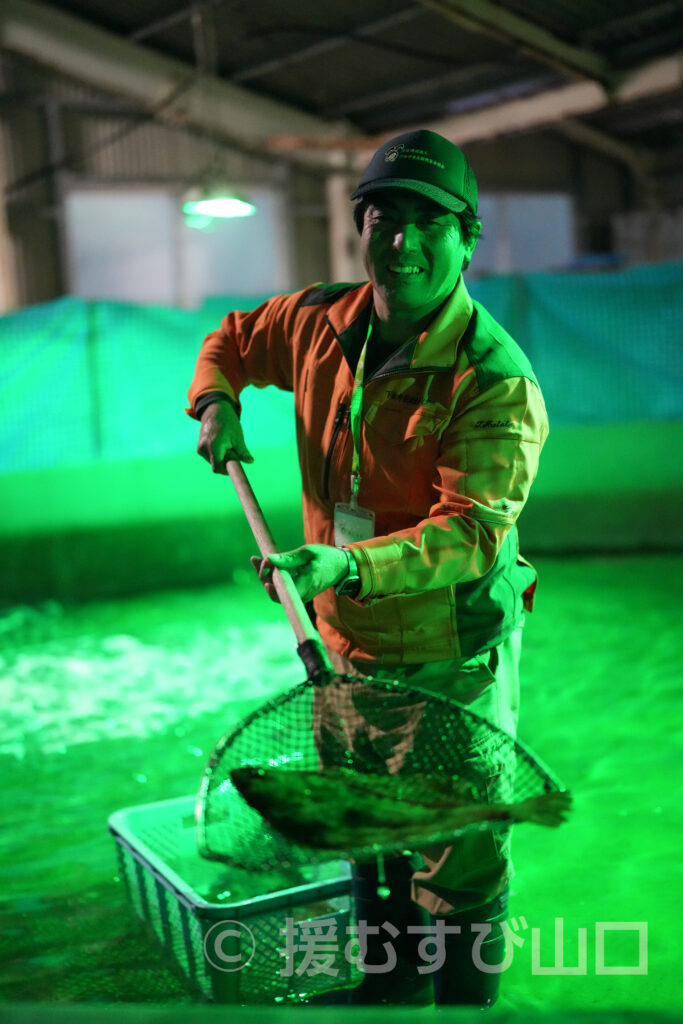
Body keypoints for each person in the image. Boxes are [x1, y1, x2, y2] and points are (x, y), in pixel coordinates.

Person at [187, 128, 548, 1007]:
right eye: (384, 217)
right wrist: (215, 402)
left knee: (456, 853)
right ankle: (387, 994)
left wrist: (340, 570)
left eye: (430, 222)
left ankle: (462, 1000)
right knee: (364, 825)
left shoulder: (492, 379)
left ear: (467, 239)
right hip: (339, 645)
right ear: (360, 226)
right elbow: (232, 340)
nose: (402, 242)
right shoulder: (320, 321)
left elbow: (470, 534)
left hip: (443, 662)